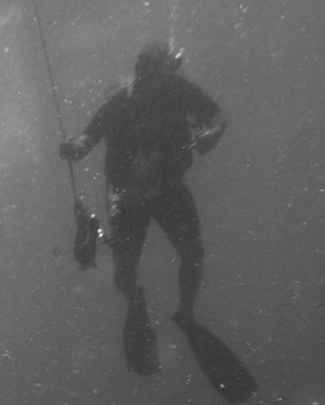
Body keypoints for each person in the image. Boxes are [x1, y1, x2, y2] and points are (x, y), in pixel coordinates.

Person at [60, 42, 226, 375]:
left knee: (193, 252)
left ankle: (185, 313)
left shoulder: (180, 91)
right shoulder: (120, 104)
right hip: (128, 196)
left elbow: (217, 117)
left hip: (169, 189)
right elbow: (88, 138)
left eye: (157, 77)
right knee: (124, 274)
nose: (151, 84)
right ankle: (135, 300)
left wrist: (211, 134)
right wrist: (74, 148)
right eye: (146, 77)